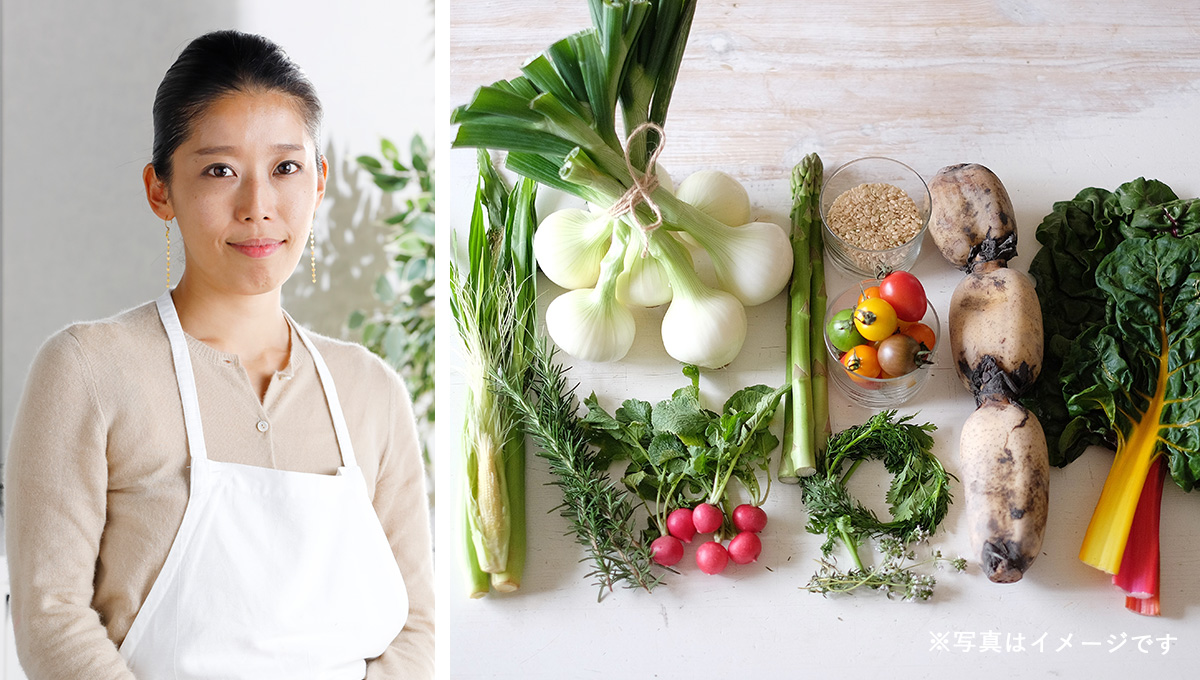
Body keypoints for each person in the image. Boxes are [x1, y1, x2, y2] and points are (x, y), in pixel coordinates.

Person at [4, 30, 433, 679]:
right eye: (219, 170)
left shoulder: (370, 390)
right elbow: (50, 614)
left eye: (285, 168)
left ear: (319, 183)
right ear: (160, 191)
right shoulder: (89, 370)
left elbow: (419, 627)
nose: (257, 207)